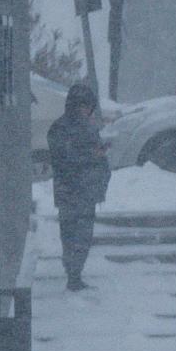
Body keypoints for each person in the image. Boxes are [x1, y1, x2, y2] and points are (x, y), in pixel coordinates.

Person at [46, 80, 111, 291]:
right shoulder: (64, 128)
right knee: (76, 233)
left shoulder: (79, 127)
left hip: (82, 190)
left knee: (77, 233)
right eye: (83, 106)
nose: (86, 111)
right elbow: (64, 159)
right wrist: (93, 156)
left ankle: (74, 272)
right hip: (75, 190)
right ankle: (73, 274)